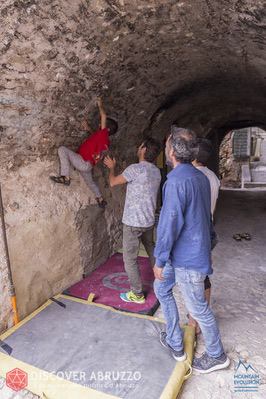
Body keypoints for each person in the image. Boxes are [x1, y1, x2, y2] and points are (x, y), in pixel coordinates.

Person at [153, 126, 229, 373]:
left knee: (198, 309)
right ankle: (175, 341)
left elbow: (169, 223)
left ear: (172, 150)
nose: (166, 147)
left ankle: (217, 355)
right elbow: (204, 216)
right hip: (190, 251)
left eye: (167, 143)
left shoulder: (175, 181)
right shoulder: (200, 176)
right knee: (162, 288)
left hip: (187, 257)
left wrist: (159, 259)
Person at [104, 138, 161, 304]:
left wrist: (112, 168)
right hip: (148, 220)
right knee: (151, 248)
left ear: (143, 149)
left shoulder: (135, 169)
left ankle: (137, 294)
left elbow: (113, 182)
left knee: (130, 258)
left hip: (133, 222)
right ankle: (162, 280)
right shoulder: (156, 171)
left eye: (140, 145)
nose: (138, 147)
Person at [50, 98, 118, 208]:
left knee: (62, 150)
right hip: (88, 165)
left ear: (108, 130)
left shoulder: (104, 134)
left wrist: (100, 104)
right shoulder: (104, 141)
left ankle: (65, 177)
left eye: (103, 124)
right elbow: (94, 137)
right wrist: (88, 128)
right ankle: (100, 199)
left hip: (83, 162)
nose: (100, 123)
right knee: (90, 183)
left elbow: (103, 116)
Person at [188, 138, 221, 334]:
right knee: (203, 275)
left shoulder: (192, 177)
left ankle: (195, 322)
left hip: (195, 233)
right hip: (208, 229)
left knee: (193, 279)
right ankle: (201, 314)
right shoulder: (213, 176)